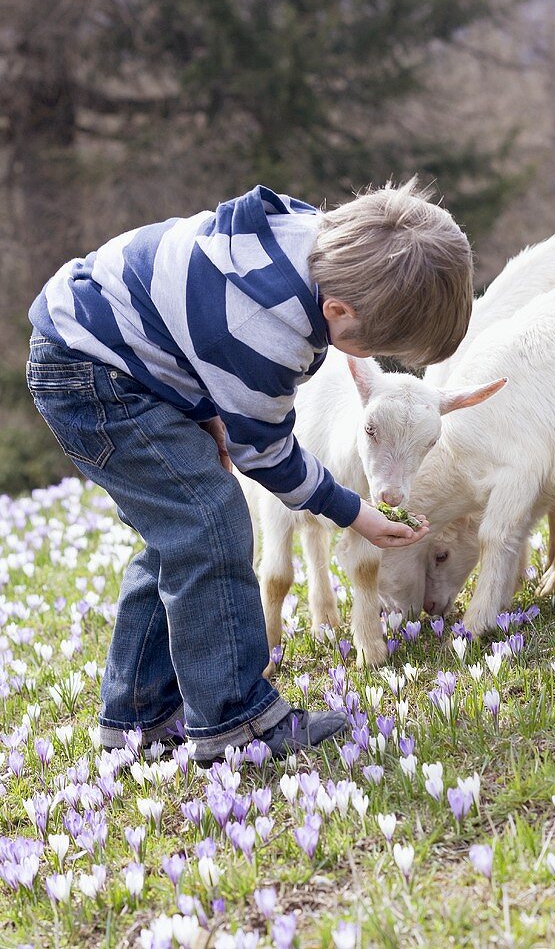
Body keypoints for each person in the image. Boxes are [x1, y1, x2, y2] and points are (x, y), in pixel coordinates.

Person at [26, 179, 474, 766]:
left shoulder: (318, 246)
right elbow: (263, 453)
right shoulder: (266, 328)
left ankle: (136, 716)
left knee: (179, 538)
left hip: (118, 352)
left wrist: (208, 406)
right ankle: (234, 720)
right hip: (93, 374)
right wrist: (353, 511)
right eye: (368, 345)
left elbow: (199, 335)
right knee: (211, 526)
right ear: (337, 313)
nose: (365, 359)